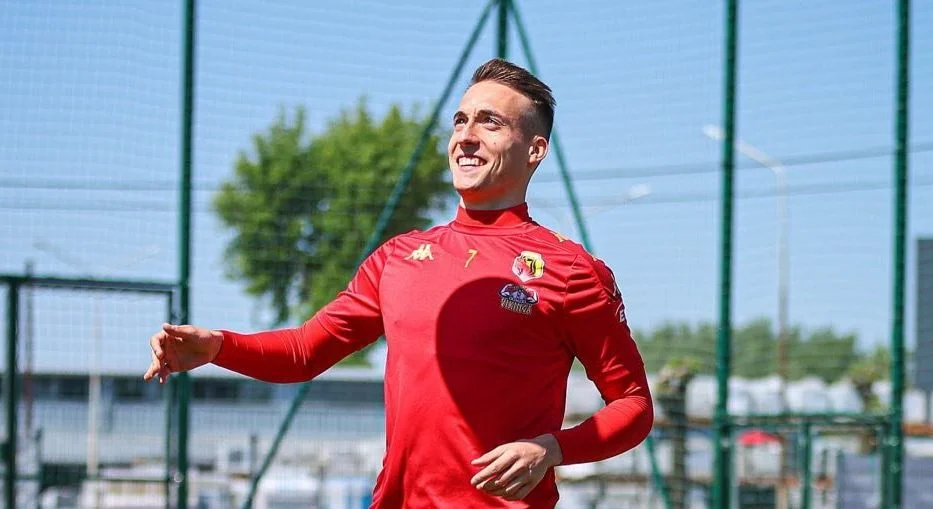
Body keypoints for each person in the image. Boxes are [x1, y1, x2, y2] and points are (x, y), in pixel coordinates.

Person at [144, 58, 653, 508]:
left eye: (490, 122)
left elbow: (633, 405)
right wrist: (218, 346)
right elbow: (304, 352)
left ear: (535, 149)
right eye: (460, 120)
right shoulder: (399, 257)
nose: (466, 136)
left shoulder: (571, 270)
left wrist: (553, 449)